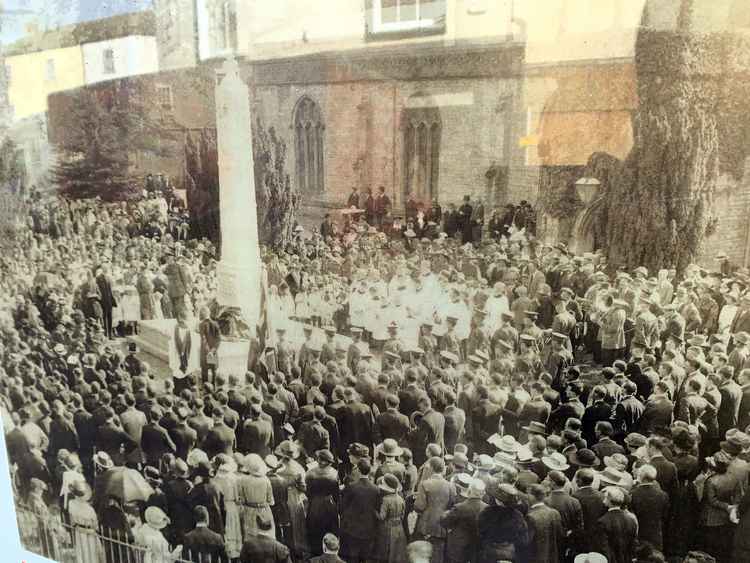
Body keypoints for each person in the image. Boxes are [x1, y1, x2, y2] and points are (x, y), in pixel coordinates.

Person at [374, 473, 408, 563]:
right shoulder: (401, 498)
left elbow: (381, 517)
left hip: (387, 528)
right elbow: (402, 516)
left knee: (386, 551)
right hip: (399, 528)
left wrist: (373, 511)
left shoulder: (386, 500)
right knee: (397, 552)